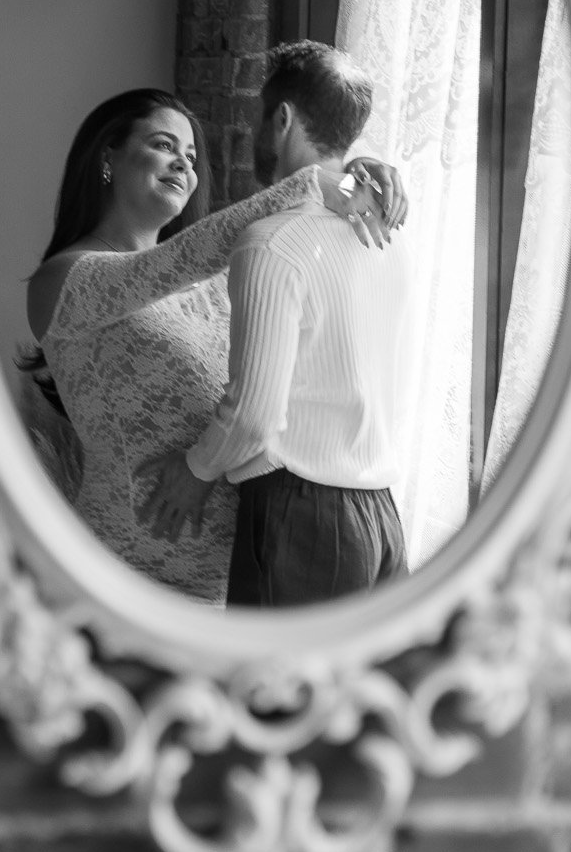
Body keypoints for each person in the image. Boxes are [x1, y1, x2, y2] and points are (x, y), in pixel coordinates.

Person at [22, 87, 405, 606]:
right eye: (164, 145)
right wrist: (316, 181)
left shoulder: (210, 283)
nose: (183, 162)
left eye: (191, 155)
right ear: (107, 157)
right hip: (123, 581)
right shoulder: (61, 281)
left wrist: (358, 173)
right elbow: (175, 261)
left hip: (239, 580)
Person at [142, 42, 411, 609]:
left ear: (282, 118)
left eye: (257, 118)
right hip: (381, 519)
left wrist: (196, 470)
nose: (253, 134)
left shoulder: (271, 242)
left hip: (303, 523)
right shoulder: (386, 237)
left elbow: (255, 415)